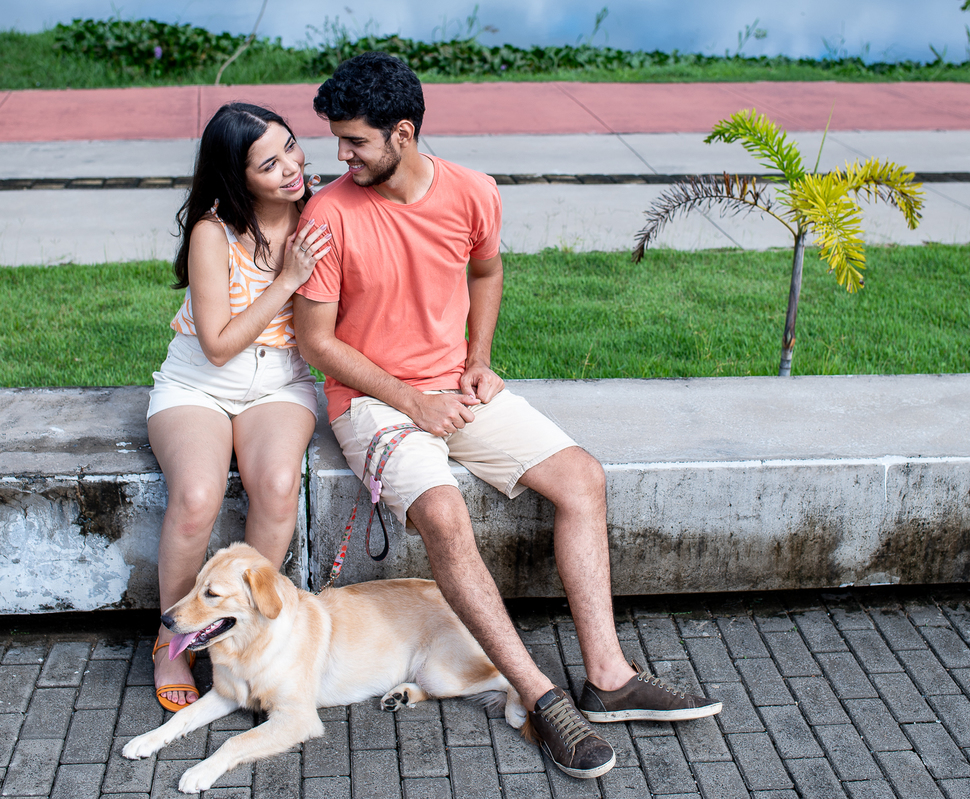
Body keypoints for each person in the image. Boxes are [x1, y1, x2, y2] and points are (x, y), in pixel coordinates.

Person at [292, 52, 721, 780]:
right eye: (338, 139)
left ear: (403, 132)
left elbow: (485, 270)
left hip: (458, 390)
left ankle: (608, 677)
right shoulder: (329, 212)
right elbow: (317, 340)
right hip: (370, 402)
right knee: (447, 516)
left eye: (355, 140)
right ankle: (541, 696)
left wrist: (480, 355)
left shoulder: (473, 192)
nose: (340, 155)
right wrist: (411, 400)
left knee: (582, 477)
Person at [147, 103, 331, 712]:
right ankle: (173, 642)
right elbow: (220, 345)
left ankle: (250, 630)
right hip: (200, 380)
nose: (290, 169)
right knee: (197, 497)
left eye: (291, 148)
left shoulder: (321, 211)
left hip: (280, 379)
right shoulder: (213, 230)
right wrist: (286, 279)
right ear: (237, 175)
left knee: (278, 484)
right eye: (268, 163)